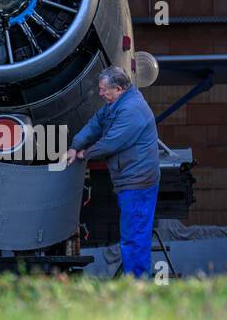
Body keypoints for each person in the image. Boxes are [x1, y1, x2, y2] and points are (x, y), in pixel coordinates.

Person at [64, 65, 160, 278]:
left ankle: (137, 281)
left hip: (138, 182)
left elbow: (111, 142)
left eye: (103, 89)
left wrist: (84, 154)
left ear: (118, 88)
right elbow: (96, 123)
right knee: (132, 232)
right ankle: (135, 278)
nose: (100, 93)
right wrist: (75, 145)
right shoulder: (116, 103)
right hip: (128, 180)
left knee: (134, 234)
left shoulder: (131, 110)